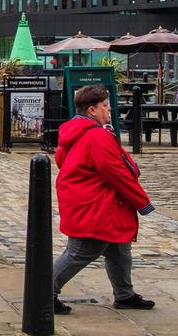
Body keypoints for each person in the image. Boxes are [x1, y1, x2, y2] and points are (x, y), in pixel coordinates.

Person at [52, 83, 156, 314]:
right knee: (82, 251)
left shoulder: (76, 132)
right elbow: (117, 172)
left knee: (119, 247)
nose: (110, 110)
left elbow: (63, 161)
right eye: (106, 106)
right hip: (96, 204)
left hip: (94, 200)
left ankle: (124, 294)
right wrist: (143, 203)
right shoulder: (97, 136)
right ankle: (42, 291)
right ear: (92, 110)